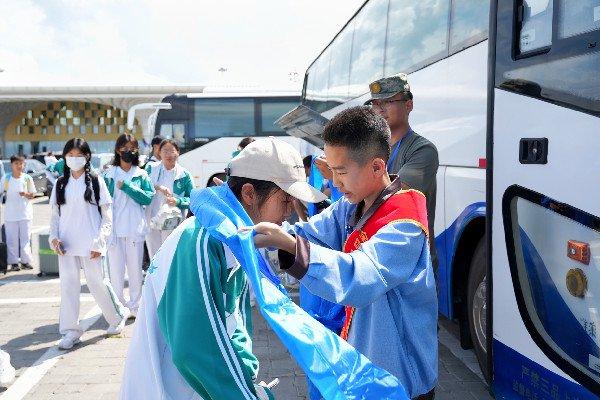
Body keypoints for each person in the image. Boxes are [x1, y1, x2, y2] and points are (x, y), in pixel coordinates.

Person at [252, 107, 438, 400]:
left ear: (377, 167)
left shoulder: (406, 221)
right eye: (332, 171)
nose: (335, 184)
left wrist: (289, 245)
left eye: (341, 172)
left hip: (402, 377)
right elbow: (311, 233)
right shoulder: (352, 205)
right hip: (367, 365)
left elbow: (360, 276)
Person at [119, 138, 326, 400]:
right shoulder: (203, 240)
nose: (290, 211)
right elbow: (196, 349)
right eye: (286, 199)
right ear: (249, 193)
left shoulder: (230, 235)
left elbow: (234, 326)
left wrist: (248, 381)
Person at [48, 138, 128, 350]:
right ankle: (70, 331)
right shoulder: (60, 184)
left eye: (79, 155)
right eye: (70, 155)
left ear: (87, 157)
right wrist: (53, 238)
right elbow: (55, 216)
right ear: (65, 157)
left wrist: (99, 242)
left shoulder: (95, 181)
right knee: (68, 286)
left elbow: (107, 215)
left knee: (98, 283)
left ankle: (116, 316)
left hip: (91, 244)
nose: (75, 159)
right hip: (66, 245)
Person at [365, 73, 439, 271]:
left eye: (388, 101)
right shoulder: (370, 150)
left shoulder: (422, 150)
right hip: (373, 256)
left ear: (408, 105)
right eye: (375, 103)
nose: (379, 109)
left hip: (411, 263)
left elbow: (394, 196)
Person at [104, 133, 155, 318]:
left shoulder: (141, 174)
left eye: (133, 149)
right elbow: (103, 201)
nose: (129, 152)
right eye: (125, 148)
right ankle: (118, 307)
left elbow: (148, 198)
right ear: (118, 150)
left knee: (135, 271)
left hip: (135, 229)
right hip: (115, 231)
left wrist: (127, 187)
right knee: (116, 272)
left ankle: (135, 306)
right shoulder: (108, 174)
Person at [144, 139, 194, 258]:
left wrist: (178, 201)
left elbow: (192, 199)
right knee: (154, 257)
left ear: (178, 153)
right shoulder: (151, 168)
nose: (168, 155)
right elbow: (143, 185)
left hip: (172, 222)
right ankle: (156, 277)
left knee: (170, 256)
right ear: (159, 153)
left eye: (172, 151)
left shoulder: (184, 174)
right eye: (165, 151)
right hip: (152, 220)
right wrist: (158, 187)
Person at [0, 155, 37, 271]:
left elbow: (33, 194)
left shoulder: (27, 178)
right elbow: (1, 192)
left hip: (25, 214)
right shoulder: (6, 178)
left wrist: (26, 194)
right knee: (11, 240)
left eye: (21, 164)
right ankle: (14, 262)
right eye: (16, 164)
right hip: (10, 215)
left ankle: (25, 261)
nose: (19, 166)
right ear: (11, 165)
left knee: (25, 239)